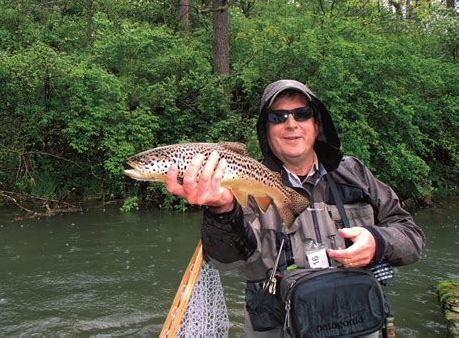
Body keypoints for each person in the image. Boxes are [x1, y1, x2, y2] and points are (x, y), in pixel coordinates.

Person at [165, 79, 425, 337]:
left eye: (302, 114)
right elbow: (227, 261)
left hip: (357, 324)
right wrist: (222, 211)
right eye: (278, 117)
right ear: (266, 130)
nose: (291, 124)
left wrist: (377, 242)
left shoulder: (355, 175)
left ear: (316, 123)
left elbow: (412, 238)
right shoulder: (242, 182)